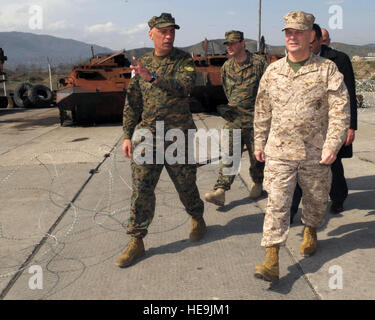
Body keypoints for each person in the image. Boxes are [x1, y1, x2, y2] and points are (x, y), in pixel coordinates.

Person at [253, 11, 350, 282]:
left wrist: (333, 144)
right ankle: (271, 258)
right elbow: (262, 109)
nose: (292, 36)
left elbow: (340, 110)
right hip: (279, 152)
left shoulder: (327, 69)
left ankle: (311, 229)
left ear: (311, 37)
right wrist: (259, 141)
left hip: (316, 153)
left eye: (298, 32)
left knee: (317, 199)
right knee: (276, 203)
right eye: (288, 32)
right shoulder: (273, 71)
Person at [116, 13, 205, 268]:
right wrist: (127, 135)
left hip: (178, 136)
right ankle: (136, 240)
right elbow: (132, 104)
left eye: (172, 32)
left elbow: (184, 87)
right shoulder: (140, 64)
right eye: (163, 31)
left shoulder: (183, 61)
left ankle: (197, 217)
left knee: (186, 185)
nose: (168, 36)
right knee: (142, 189)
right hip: (147, 137)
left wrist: (152, 77)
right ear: (151, 34)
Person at [290, 23, 358, 222]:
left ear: (321, 40)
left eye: (311, 42)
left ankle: (337, 198)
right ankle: (292, 209)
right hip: (305, 125)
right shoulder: (297, 60)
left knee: (332, 163)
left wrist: (351, 126)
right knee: (298, 166)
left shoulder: (339, 60)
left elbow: (350, 95)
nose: (307, 46)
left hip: (332, 123)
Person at [204, 30, 268, 206]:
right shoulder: (226, 67)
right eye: (227, 44)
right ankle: (221, 190)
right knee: (230, 154)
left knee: (257, 158)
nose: (229, 47)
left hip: (256, 120)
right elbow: (227, 91)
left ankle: (257, 182)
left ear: (242, 44)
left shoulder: (258, 63)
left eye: (233, 43)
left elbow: (268, 90)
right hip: (235, 119)